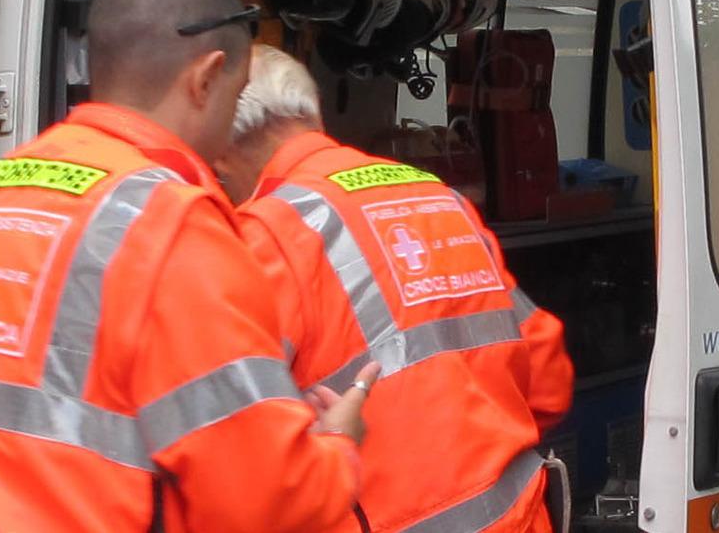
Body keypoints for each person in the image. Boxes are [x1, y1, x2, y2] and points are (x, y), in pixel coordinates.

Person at [0, 0, 377, 533]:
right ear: (203, 79)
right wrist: (336, 447)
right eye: (235, 92)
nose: (227, 137)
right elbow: (264, 502)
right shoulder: (170, 228)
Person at [216, 45, 574, 533]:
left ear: (221, 149)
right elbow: (548, 383)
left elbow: (229, 466)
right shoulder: (440, 198)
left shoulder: (261, 236)